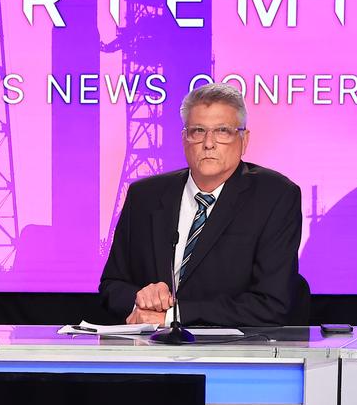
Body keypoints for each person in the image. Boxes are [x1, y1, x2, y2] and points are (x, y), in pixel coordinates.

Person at [98, 83, 303, 327]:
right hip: (149, 351)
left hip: (235, 354)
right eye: (198, 131)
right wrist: (140, 301)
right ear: (184, 139)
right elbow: (111, 286)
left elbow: (272, 304)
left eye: (222, 131)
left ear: (243, 140)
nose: (208, 143)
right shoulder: (144, 196)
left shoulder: (275, 196)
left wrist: (172, 316)